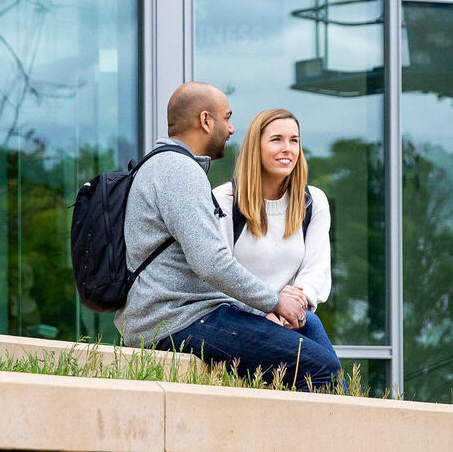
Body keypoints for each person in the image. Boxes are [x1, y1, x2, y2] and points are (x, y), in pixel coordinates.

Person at [118, 82, 341, 390]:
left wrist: (272, 305)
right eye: (227, 117)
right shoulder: (179, 172)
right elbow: (211, 263)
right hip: (174, 321)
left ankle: (355, 435)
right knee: (320, 368)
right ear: (206, 121)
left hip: (187, 314)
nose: (232, 128)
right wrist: (273, 302)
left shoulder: (169, 166)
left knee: (310, 326)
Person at [212, 108, 339, 386]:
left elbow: (316, 271)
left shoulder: (312, 201)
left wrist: (293, 304)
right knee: (318, 353)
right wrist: (266, 307)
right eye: (277, 140)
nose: (287, 149)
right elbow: (216, 273)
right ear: (255, 146)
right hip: (238, 319)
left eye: (294, 140)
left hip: (293, 317)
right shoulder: (224, 200)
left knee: (309, 324)